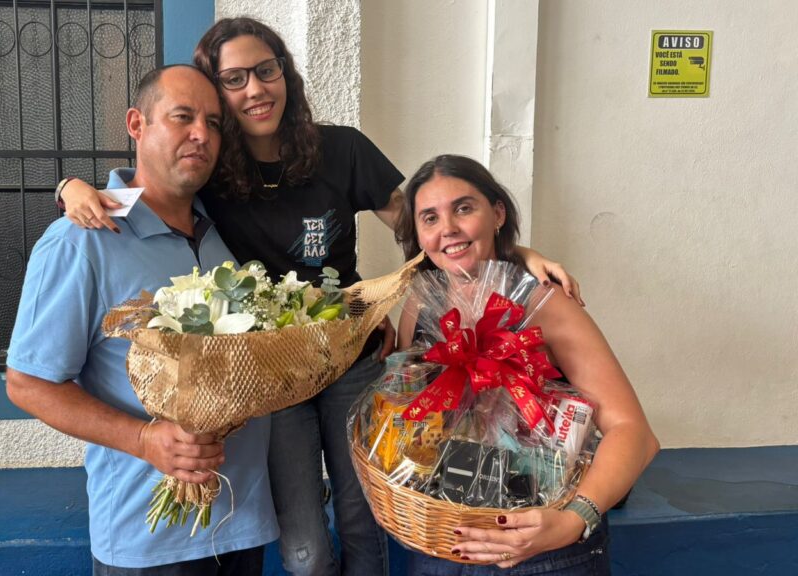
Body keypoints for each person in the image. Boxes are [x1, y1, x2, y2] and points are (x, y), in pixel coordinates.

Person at [56, 18, 580, 576]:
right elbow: (151, 184)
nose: (255, 89)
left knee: (363, 519)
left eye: (266, 70)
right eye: (234, 79)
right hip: (269, 379)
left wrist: (515, 252)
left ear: (285, 73)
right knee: (304, 549)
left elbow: (428, 226)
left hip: (351, 359)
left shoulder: (341, 148)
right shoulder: (210, 170)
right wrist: (68, 188)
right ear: (217, 94)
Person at [5, 65, 278, 575]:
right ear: (137, 124)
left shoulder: (221, 236)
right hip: (149, 542)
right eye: (182, 117)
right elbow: (27, 384)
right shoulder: (81, 240)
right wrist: (144, 440)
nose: (201, 134)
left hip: (240, 523)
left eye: (213, 123)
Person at [394, 155, 660, 575]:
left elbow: (634, 432)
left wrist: (573, 520)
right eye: (430, 218)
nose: (448, 228)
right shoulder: (420, 306)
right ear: (418, 233)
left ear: (497, 213)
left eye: (464, 208)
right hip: (443, 546)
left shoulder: (544, 304)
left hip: (546, 551)